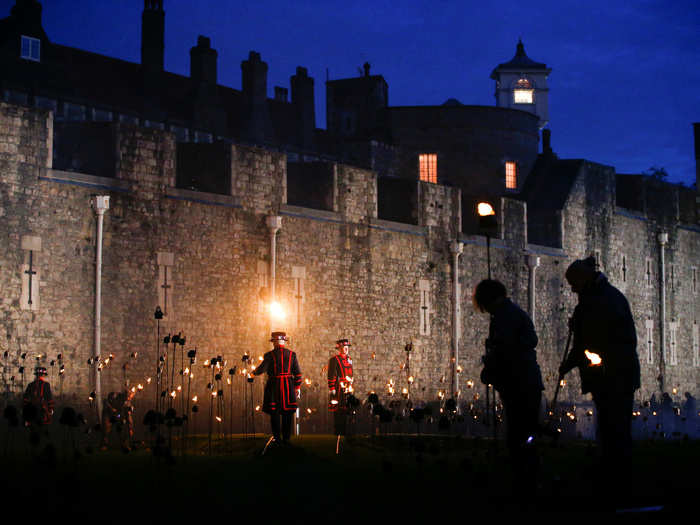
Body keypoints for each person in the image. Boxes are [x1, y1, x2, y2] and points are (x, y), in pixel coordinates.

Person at [559, 256, 640, 504]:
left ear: (584, 280)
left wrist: (573, 359)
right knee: (610, 426)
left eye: (574, 283)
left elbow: (593, 342)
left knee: (615, 427)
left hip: (614, 375)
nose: (572, 289)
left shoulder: (602, 301)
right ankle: (613, 471)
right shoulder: (596, 300)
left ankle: (618, 477)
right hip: (610, 375)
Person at [474, 279, 543, 503]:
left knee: (520, 433)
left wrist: (493, 365)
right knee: (520, 430)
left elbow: (508, 347)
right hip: (521, 381)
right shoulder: (506, 314)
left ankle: (526, 480)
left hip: (520, 382)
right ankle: (525, 475)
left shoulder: (506, 316)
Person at [253, 331, 302, 445]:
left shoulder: (269, 355)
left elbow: (261, 369)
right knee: (288, 413)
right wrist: (297, 387)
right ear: (284, 341)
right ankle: (286, 438)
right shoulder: (292, 354)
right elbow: (298, 373)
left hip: (274, 386)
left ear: (274, 342)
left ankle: (277, 437)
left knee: (274, 413)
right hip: (288, 386)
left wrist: (253, 373)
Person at [328, 338, 354, 437]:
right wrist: (332, 388)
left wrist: (351, 382)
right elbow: (331, 374)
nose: (346, 349)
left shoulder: (350, 359)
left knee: (348, 409)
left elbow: (351, 372)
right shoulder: (334, 360)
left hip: (349, 387)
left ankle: (348, 431)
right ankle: (338, 431)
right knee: (339, 411)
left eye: (347, 347)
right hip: (338, 388)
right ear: (339, 348)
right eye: (344, 347)